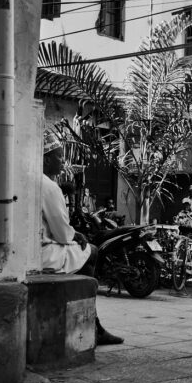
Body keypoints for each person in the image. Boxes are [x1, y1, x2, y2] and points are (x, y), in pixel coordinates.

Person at [41, 130, 123, 346]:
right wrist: (74, 236)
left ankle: (92, 323)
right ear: (47, 159)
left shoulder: (33, 181)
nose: (63, 161)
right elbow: (61, 232)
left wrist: (72, 234)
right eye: (59, 157)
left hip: (36, 249)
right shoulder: (49, 187)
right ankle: (90, 323)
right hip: (43, 253)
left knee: (84, 250)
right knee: (91, 252)